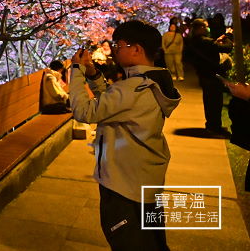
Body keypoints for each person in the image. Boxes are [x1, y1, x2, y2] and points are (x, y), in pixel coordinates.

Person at [69, 20, 181, 251]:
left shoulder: (132, 88)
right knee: (152, 243)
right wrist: (93, 74)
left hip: (123, 184)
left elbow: (84, 111)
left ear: (136, 49)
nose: (115, 50)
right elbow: (113, 102)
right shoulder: (150, 82)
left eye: (118, 45)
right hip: (143, 179)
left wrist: (77, 71)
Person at [184, 18, 232, 137]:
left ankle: (212, 126)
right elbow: (227, 48)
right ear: (201, 28)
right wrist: (228, 38)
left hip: (204, 74)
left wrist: (218, 40)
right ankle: (214, 128)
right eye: (206, 26)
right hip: (212, 75)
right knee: (215, 103)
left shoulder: (194, 41)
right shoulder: (205, 41)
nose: (208, 28)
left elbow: (211, 47)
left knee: (210, 102)